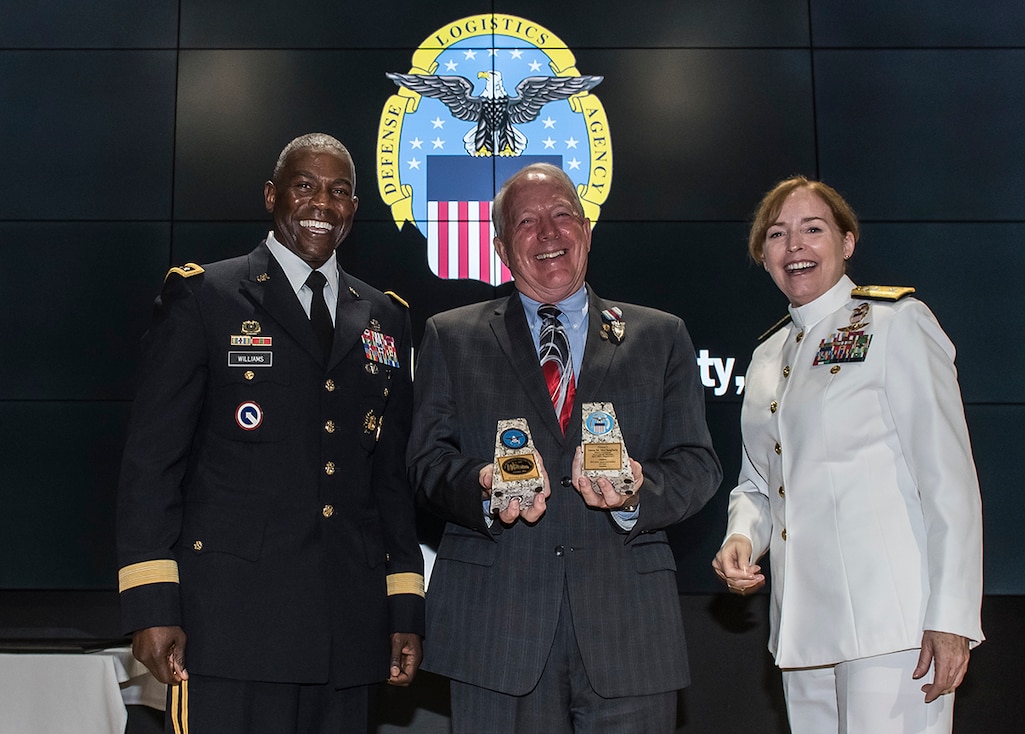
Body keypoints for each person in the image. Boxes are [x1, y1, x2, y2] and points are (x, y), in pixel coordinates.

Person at [115, 133, 424, 733]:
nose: (322, 204)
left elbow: (390, 482)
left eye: (339, 192)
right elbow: (152, 464)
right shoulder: (205, 296)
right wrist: (151, 602)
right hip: (232, 626)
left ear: (354, 209)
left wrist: (404, 603)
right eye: (305, 185)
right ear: (271, 195)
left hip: (348, 628)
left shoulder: (386, 317)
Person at [407, 162, 722, 733]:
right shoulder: (450, 336)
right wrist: (480, 488)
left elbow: (698, 464)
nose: (548, 233)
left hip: (629, 633)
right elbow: (425, 464)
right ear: (502, 248)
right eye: (527, 222)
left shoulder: (660, 335)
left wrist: (634, 493)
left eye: (562, 216)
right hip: (495, 633)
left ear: (587, 231)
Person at [712, 176, 984, 733]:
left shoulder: (897, 323)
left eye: (813, 230)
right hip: (803, 630)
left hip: (895, 629)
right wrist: (742, 536)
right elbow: (761, 484)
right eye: (778, 235)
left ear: (847, 241)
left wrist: (953, 617)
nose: (796, 247)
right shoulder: (767, 355)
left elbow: (948, 482)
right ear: (762, 256)